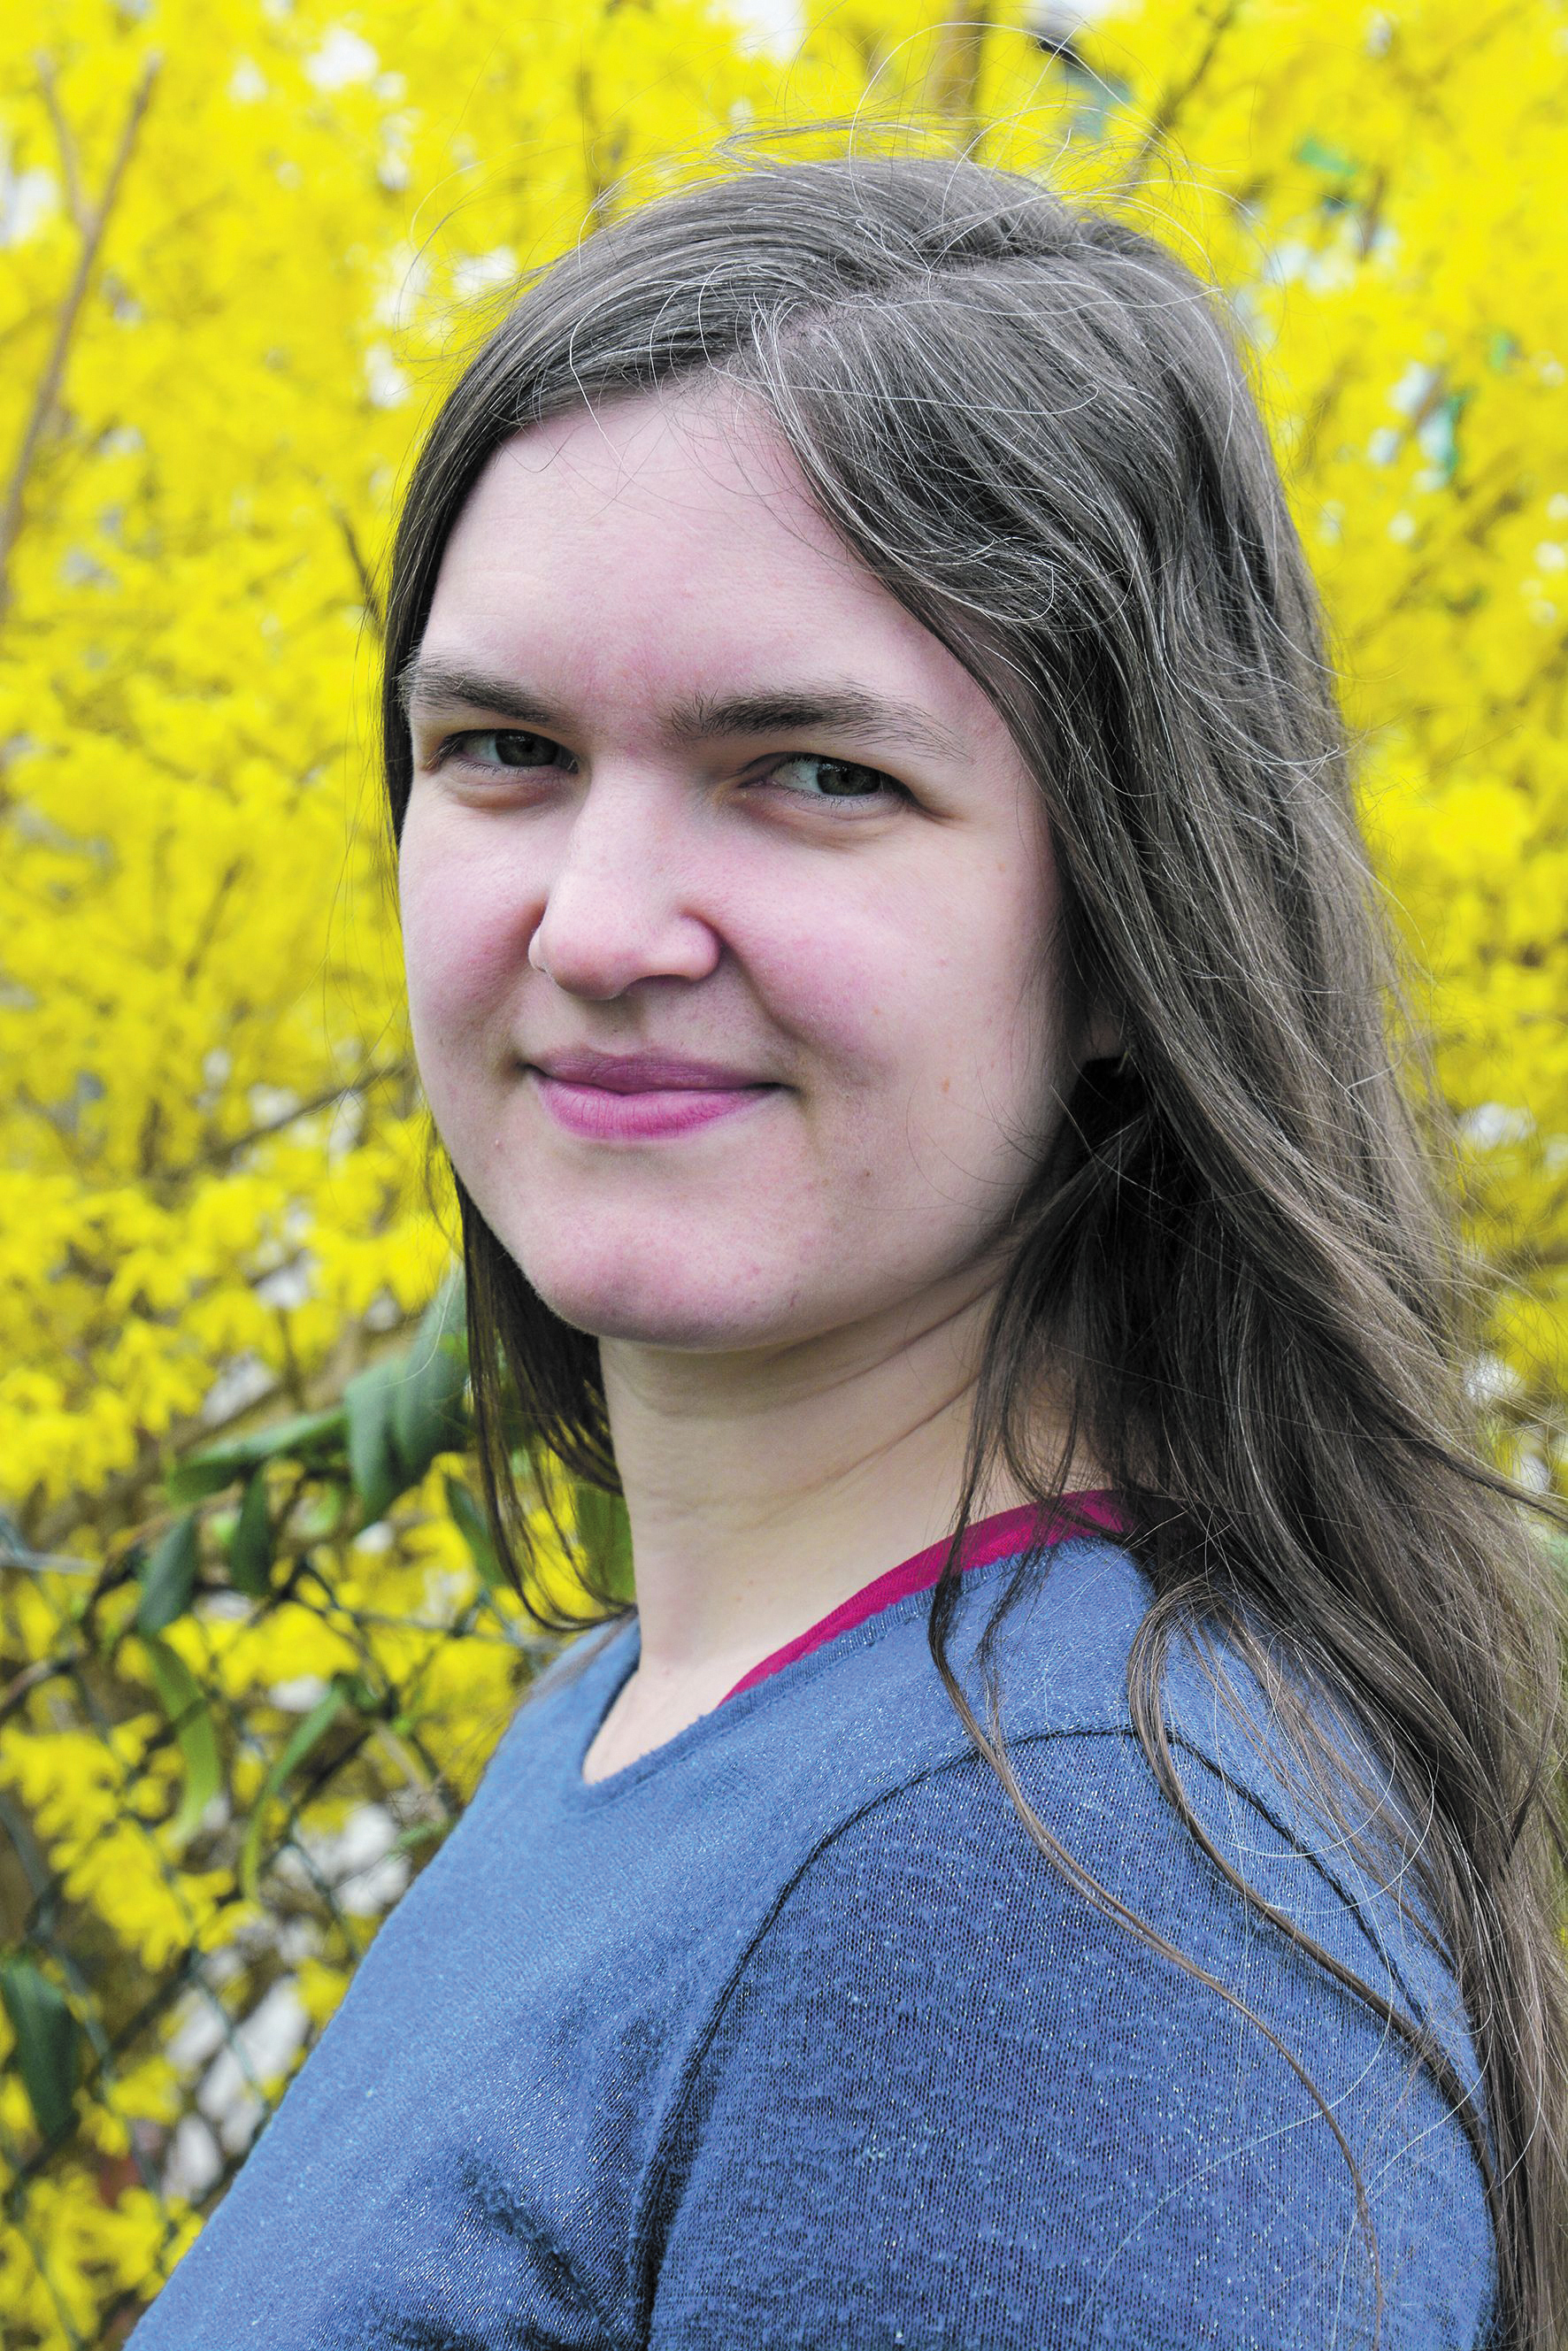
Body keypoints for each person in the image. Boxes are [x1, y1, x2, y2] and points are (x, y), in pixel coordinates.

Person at [129, 149, 1568, 2349]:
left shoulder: (1051, 1902)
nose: (596, 926)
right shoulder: (658, 1730)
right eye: (502, 751)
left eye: (810, 773)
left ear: (1134, 928)